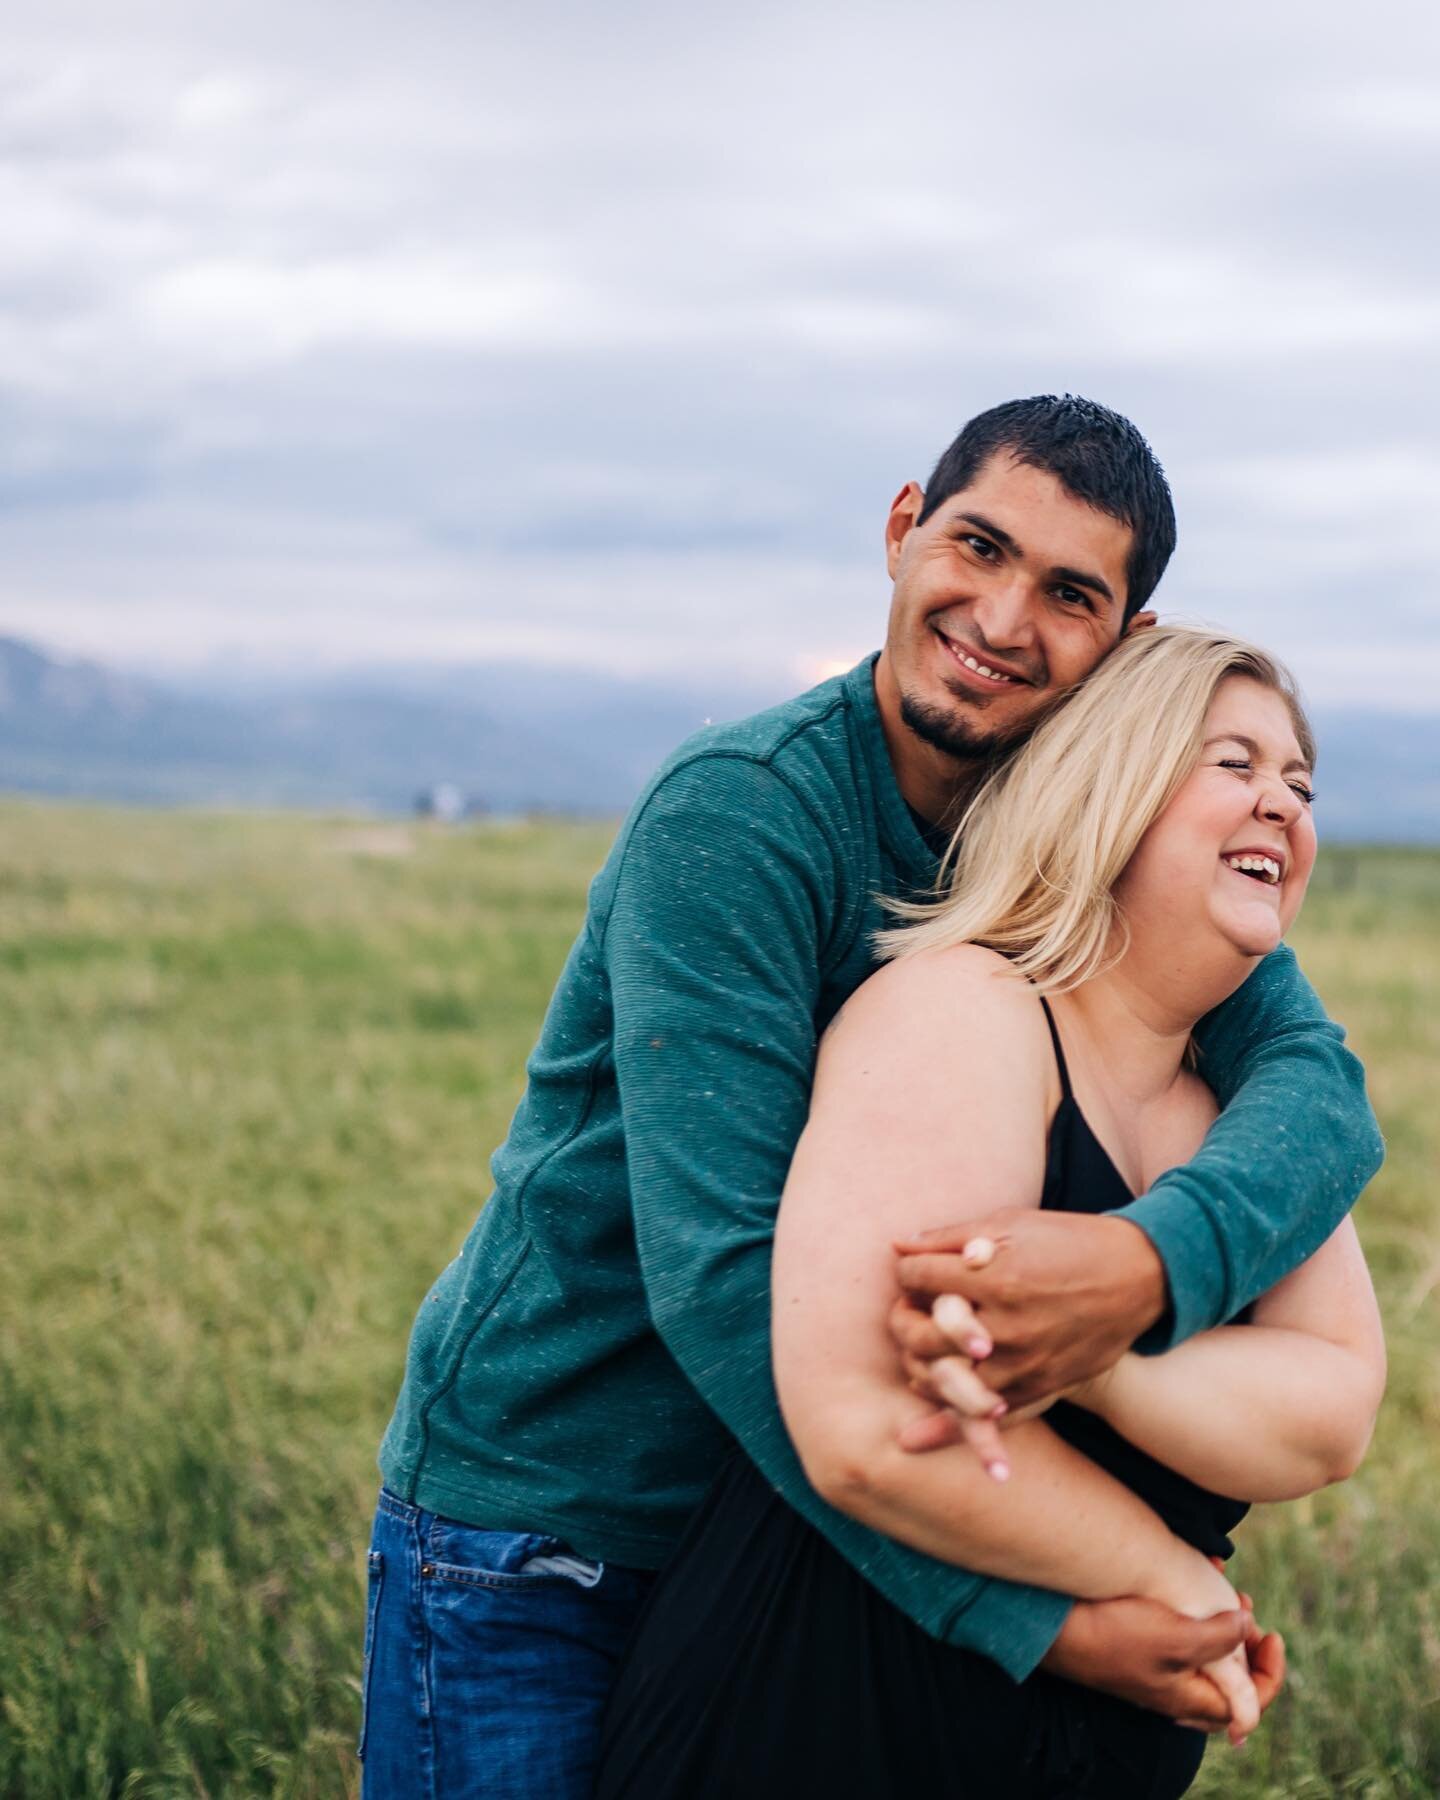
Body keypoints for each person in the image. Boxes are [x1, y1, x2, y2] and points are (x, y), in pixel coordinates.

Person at [359, 397, 1383, 1799]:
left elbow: (1316, 1087)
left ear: (1126, 644)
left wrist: (1139, 1269)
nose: (1006, 619)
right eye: (978, 546)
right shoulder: (747, 814)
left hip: (772, 1526)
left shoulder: (1076, 828)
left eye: (1071, 594)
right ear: (904, 531)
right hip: (551, 1513)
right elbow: (723, 1290)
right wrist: (1052, 1619)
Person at [592, 626, 1387, 1798]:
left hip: (1100, 1744)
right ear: (1113, 783)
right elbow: (876, 1434)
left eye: (1300, 783)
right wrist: (1174, 1584)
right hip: (830, 1702)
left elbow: (1331, 1415)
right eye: (1234, 764)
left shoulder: (1255, 1115)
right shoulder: (965, 1010)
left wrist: (1079, 1350)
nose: (1281, 801)